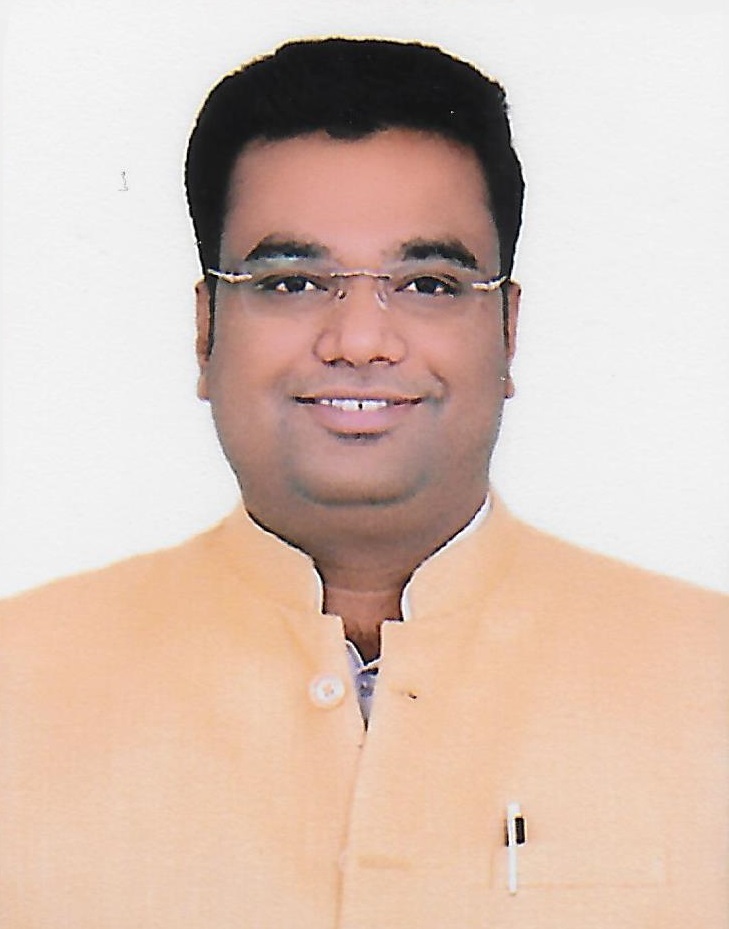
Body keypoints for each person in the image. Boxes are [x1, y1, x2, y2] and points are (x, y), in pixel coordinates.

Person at [0, 37, 726, 928]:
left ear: (506, 332)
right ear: (205, 330)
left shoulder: (709, 680)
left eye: (427, 283)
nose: (359, 341)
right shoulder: (17, 685)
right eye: (291, 283)